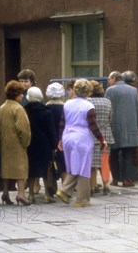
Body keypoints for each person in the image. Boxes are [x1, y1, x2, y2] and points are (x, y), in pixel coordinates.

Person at [55, 79, 105, 207]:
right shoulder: (88, 106)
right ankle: (81, 199)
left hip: (67, 136)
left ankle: (67, 192)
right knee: (83, 167)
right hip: (82, 137)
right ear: (88, 92)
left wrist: (60, 139)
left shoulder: (67, 104)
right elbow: (93, 126)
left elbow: (62, 123)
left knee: (72, 165)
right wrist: (101, 139)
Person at [0, 80, 32, 206]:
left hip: (4, 143)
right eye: (21, 93)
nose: (22, 96)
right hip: (17, 143)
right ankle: (21, 194)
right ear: (16, 94)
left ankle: (5, 193)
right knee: (20, 170)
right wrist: (26, 142)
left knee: (5, 169)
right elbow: (23, 128)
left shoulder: (2, 107)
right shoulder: (18, 109)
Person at [105, 71, 138, 187]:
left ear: (114, 78)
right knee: (128, 154)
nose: (108, 81)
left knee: (114, 154)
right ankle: (127, 179)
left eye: (109, 79)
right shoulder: (133, 90)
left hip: (114, 126)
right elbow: (137, 109)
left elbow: (107, 108)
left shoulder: (110, 90)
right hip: (131, 126)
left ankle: (115, 179)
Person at [25, 87, 58, 203]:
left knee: (31, 169)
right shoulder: (47, 111)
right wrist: (54, 145)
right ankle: (47, 194)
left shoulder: (25, 110)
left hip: (30, 143)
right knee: (46, 169)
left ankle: (30, 195)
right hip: (45, 144)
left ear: (28, 97)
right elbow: (51, 130)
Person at [88, 80, 114, 195]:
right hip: (106, 134)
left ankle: (92, 187)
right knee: (104, 162)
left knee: (92, 164)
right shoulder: (107, 102)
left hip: (92, 135)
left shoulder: (87, 102)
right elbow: (110, 117)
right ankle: (106, 185)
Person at [45, 82, 67, 184]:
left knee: (50, 162)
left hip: (48, 138)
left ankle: (51, 185)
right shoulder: (66, 107)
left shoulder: (45, 108)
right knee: (63, 162)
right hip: (62, 137)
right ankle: (65, 185)